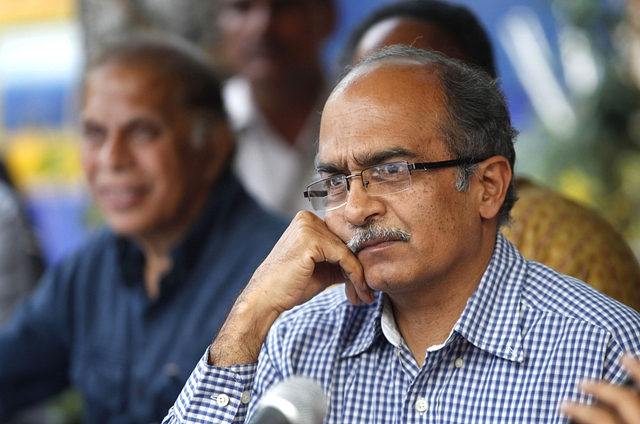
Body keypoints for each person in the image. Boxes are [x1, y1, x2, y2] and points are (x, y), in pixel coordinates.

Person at [163, 46, 640, 423]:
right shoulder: (297, 340)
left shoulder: (603, 348)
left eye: (392, 170)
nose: (356, 207)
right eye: (334, 182)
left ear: (487, 187)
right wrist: (248, 319)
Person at [0, 36, 288, 423]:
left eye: (141, 132)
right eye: (95, 134)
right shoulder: (93, 266)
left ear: (212, 146)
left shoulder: (277, 273)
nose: (112, 159)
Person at [337, 0, 640, 312]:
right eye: (362, 90)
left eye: (416, 86)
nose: (358, 209)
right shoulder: (336, 268)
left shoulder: (563, 242)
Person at [217, 0, 337, 216]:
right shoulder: (203, 129)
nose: (261, 27)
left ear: (327, 17)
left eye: (284, 6)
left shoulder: (367, 117)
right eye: (242, 7)